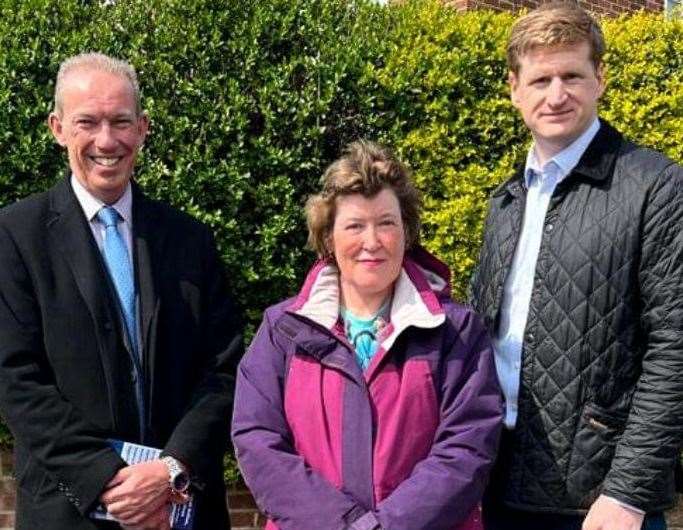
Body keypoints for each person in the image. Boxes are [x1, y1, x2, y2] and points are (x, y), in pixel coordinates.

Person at [0, 53, 243, 530]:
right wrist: (109, 479)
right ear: (57, 127)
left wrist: (170, 470)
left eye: (121, 122)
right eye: (87, 122)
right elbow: (15, 380)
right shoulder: (14, 236)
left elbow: (225, 369)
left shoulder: (190, 239)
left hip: (179, 509)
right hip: (68, 511)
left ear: (143, 128)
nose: (106, 141)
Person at [469, 3, 683, 530]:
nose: (556, 94)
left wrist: (628, 492)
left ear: (600, 79)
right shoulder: (505, 201)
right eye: (540, 79)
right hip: (501, 483)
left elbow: (675, 345)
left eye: (572, 75)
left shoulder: (655, 186)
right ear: (514, 88)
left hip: (600, 503)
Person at [232, 141, 503, 530]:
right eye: (354, 226)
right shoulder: (283, 330)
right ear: (328, 238)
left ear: (406, 232)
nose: (372, 242)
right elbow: (258, 440)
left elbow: (466, 448)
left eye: (386, 223)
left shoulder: (456, 332)